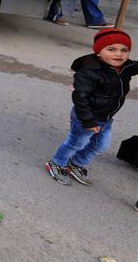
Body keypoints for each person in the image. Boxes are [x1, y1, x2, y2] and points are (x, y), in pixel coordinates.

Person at [46, 29, 136, 186]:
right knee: (76, 143)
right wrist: (88, 121)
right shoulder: (89, 71)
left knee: (101, 146)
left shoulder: (124, 68)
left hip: (106, 118)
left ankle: (76, 163)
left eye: (124, 50)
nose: (118, 54)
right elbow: (80, 98)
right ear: (98, 52)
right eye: (111, 49)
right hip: (86, 117)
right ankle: (57, 163)